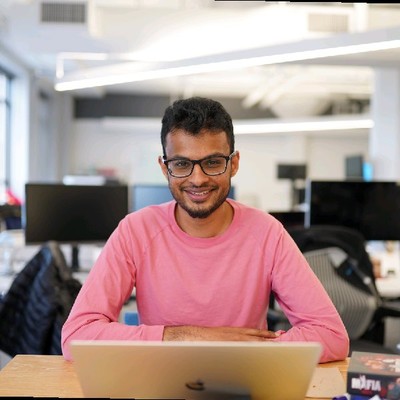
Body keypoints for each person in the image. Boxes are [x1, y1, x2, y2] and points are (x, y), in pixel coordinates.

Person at [61, 97, 349, 362]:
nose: (197, 179)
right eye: (181, 164)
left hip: (245, 380)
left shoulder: (267, 233)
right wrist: (191, 337)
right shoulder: (135, 231)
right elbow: (76, 336)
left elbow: (332, 336)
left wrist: (245, 348)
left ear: (233, 163)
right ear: (164, 167)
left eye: (212, 162)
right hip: (161, 381)